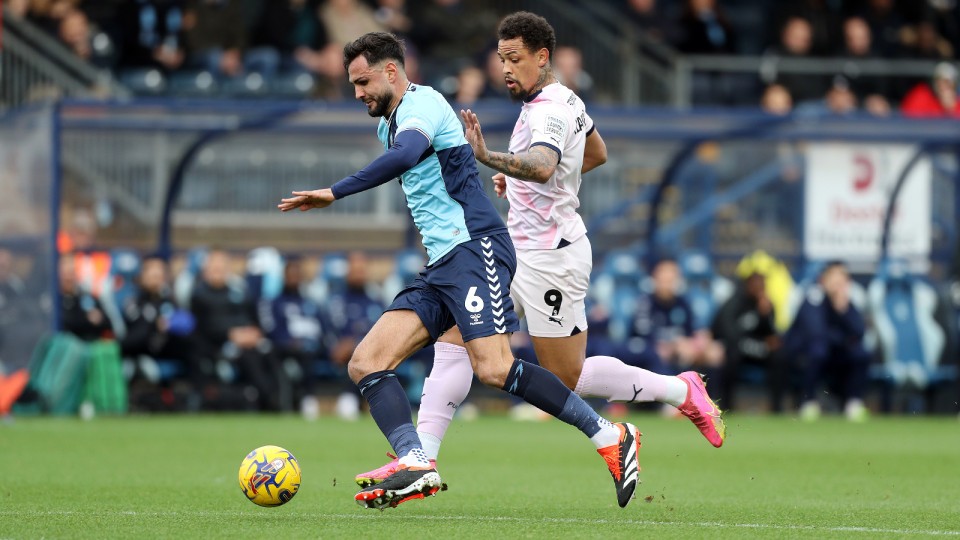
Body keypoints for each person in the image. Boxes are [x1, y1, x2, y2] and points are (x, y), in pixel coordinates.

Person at [350, 13, 724, 494]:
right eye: (501, 58)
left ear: (542, 57)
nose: (505, 68)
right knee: (453, 345)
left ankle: (678, 390)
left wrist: (495, 160)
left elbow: (547, 166)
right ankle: (419, 461)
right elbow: (594, 154)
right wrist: (526, 184)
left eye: (514, 59)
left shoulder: (548, 110)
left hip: (552, 256)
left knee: (564, 376)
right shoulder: (560, 100)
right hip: (508, 248)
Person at [279, 31, 641, 510]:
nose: (357, 93)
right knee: (366, 362)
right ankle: (415, 462)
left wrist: (335, 191)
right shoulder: (388, 124)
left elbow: (407, 154)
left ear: (391, 71)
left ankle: (609, 435)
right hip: (443, 265)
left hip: (477, 249)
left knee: (493, 368)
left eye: (363, 81)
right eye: (352, 84)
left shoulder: (422, 105)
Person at [785, 261, 870, 422]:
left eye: (842, 278)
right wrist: (843, 338)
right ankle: (808, 402)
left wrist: (842, 311)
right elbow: (816, 333)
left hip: (835, 354)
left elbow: (859, 332)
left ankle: (854, 403)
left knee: (861, 353)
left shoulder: (846, 303)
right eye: (834, 278)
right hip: (805, 355)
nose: (838, 283)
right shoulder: (813, 299)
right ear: (823, 280)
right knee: (818, 351)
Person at [711, 272, 783, 412]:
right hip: (737, 349)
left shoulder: (766, 305)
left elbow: (771, 335)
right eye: (755, 282)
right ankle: (726, 406)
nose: (759, 286)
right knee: (731, 357)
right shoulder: (734, 303)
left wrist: (765, 316)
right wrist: (757, 345)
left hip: (757, 350)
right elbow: (728, 334)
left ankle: (777, 408)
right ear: (747, 284)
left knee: (780, 357)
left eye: (762, 283)